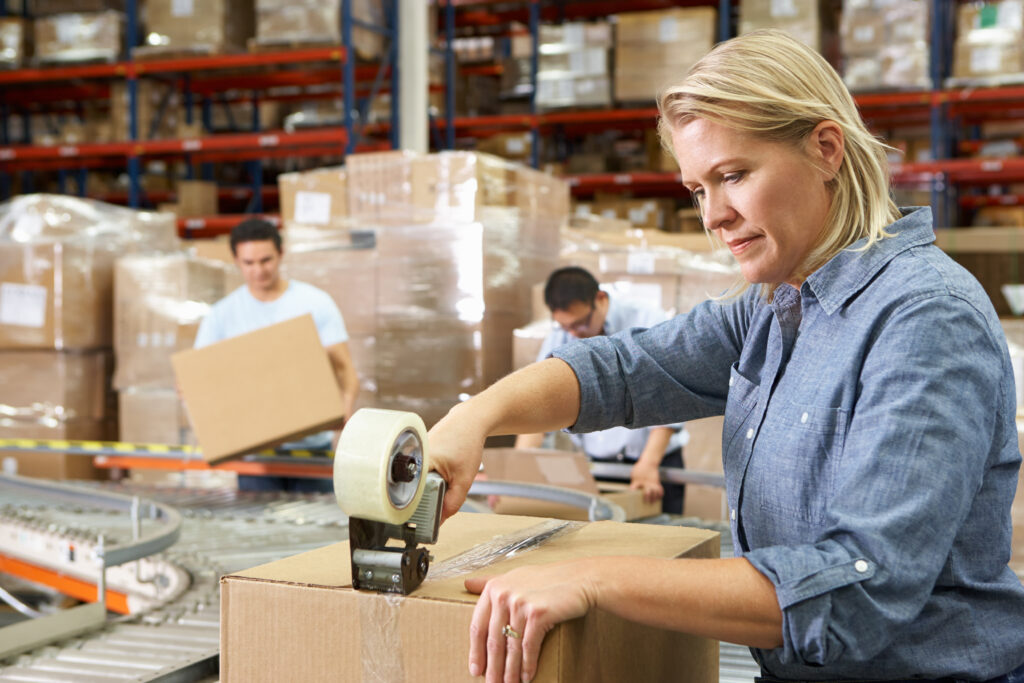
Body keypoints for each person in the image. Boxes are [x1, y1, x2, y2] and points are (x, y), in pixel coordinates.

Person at [427, 30, 1024, 683]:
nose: (713, 215)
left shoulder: (925, 318)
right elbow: (623, 369)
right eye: (696, 189)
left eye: (733, 176)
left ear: (826, 149)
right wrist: (478, 415)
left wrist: (595, 577)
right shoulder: (771, 305)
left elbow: (853, 592)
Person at [194, 217, 358, 493]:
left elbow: (345, 369)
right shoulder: (221, 316)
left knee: (318, 533)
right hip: (254, 452)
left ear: (281, 254)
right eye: (249, 263)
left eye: (266, 260)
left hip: (312, 449)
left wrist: (345, 407)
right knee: (262, 530)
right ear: (236, 260)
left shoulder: (314, 304)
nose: (258, 270)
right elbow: (201, 378)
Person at [515, 266, 687, 513]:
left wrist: (649, 462)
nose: (575, 333)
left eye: (581, 323)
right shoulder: (561, 337)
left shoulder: (647, 322)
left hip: (652, 463)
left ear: (601, 299)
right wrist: (516, 470)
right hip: (598, 467)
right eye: (567, 327)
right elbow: (540, 401)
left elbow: (671, 398)